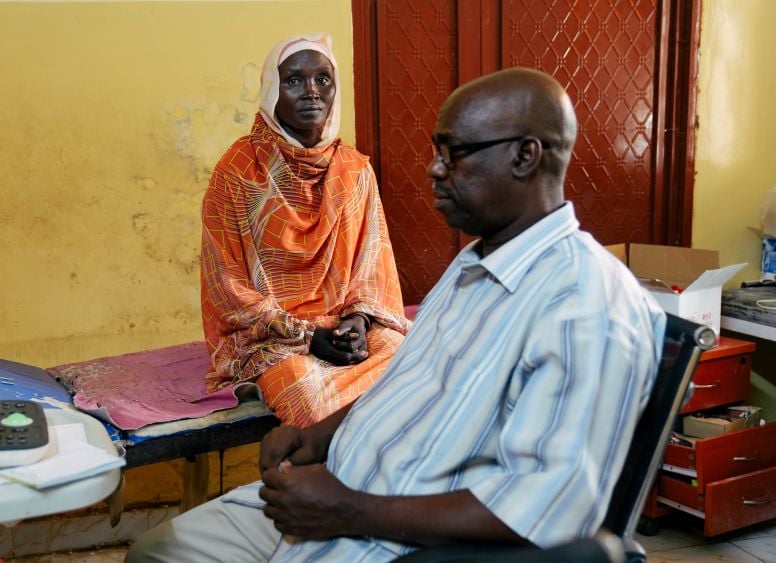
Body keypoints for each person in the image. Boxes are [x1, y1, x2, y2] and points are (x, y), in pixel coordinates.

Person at [127, 67, 666, 562]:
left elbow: (547, 511)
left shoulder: (585, 304)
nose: (432, 170)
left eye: (453, 153)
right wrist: (322, 434)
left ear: (524, 157)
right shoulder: (473, 265)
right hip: (343, 484)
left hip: (390, 534)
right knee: (158, 552)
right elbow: (406, 381)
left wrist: (347, 509)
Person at [199, 33, 410, 428]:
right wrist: (308, 338)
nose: (311, 91)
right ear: (271, 91)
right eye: (294, 80)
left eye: (322, 79)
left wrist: (358, 323)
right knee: (310, 400)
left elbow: (372, 264)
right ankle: (335, 484)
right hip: (273, 338)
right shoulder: (238, 171)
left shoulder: (354, 170)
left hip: (343, 324)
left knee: (417, 368)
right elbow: (226, 285)